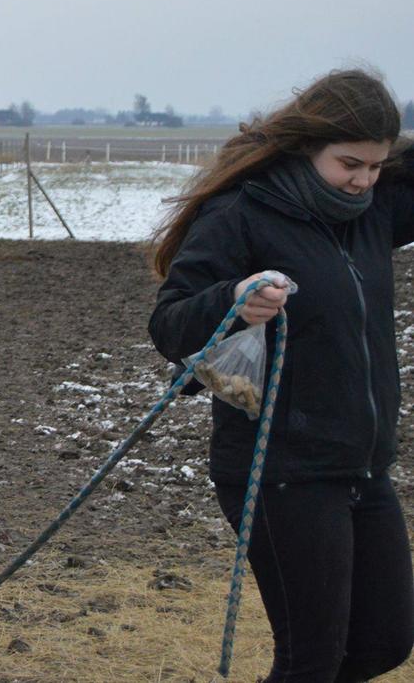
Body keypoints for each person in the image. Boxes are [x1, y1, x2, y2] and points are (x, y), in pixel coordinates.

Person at [148, 69, 414, 682]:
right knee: (310, 662)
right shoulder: (242, 213)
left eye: (377, 166)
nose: (363, 180)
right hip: (278, 472)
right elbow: (169, 326)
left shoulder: (374, 210)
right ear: (306, 144)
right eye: (350, 163)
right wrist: (231, 302)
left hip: (363, 465)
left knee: (385, 644)